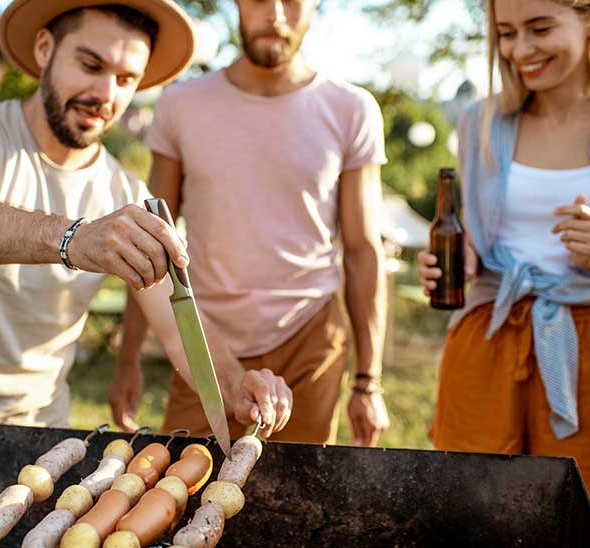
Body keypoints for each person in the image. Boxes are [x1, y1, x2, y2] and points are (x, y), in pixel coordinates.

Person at [0, 0, 292, 438]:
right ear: (46, 49)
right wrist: (75, 238)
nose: (107, 94)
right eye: (91, 64)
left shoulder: (127, 194)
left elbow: (177, 321)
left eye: (126, 80)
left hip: (39, 440)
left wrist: (236, 382)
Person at [111, 0, 390, 445]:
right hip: (203, 338)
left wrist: (367, 382)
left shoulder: (351, 108)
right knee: (183, 490)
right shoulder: (181, 104)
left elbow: (362, 250)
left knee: (297, 498)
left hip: (311, 339)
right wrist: (128, 360)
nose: (276, 14)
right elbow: (151, 240)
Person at [418, 0, 590, 497]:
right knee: (473, 499)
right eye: (507, 33)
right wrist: (451, 262)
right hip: (491, 335)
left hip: (586, 347)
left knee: (579, 503)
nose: (521, 50)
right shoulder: (480, 123)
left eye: (540, 29)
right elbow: (472, 236)